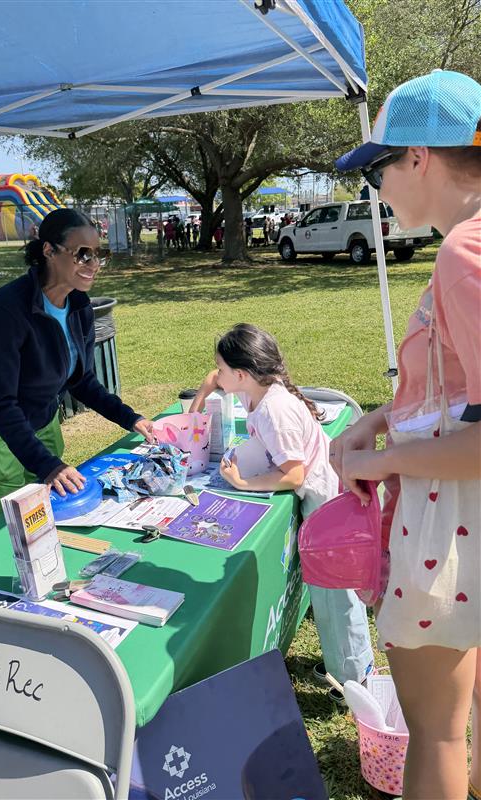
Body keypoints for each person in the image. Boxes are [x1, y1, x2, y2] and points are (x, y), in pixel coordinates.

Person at [333, 70, 481, 799]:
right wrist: (382, 417)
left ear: (418, 157)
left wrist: (381, 460)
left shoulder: (464, 253)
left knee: (439, 731)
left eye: (378, 169)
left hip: (452, 523)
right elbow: (459, 392)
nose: (378, 190)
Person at [189, 323, 374, 697]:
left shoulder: (275, 410)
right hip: (323, 500)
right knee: (328, 593)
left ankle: (356, 681)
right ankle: (345, 665)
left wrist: (243, 484)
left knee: (335, 595)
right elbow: (210, 381)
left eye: (223, 369)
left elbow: (293, 475)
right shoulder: (256, 389)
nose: (217, 374)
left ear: (242, 374)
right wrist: (204, 394)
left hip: (328, 504)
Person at [0, 208, 153, 526]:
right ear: (49, 250)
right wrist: (48, 465)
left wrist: (130, 418)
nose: (94, 264)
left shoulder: (80, 305)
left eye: (99, 254)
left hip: (42, 414)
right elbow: (0, 403)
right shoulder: (6, 311)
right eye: (83, 254)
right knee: (7, 520)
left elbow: (82, 380)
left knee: (49, 507)